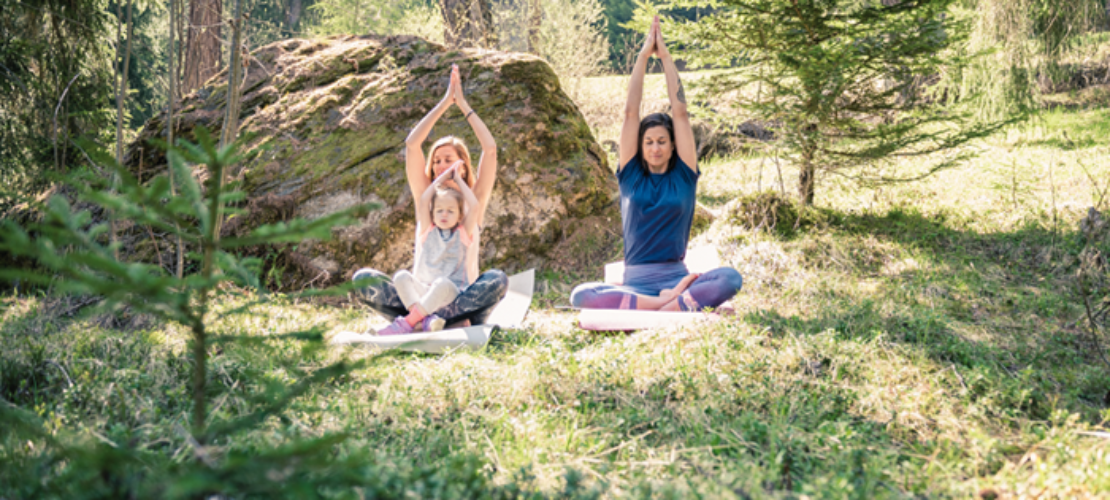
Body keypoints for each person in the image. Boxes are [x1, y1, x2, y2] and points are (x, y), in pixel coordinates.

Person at [569, 17, 742, 312]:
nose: (655, 147)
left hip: (676, 276)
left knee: (730, 278)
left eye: (662, 141)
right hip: (635, 282)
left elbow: (681, 113)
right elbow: (629, 113)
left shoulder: (684, 176)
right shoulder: (631, 176)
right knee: (581, 295)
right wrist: (642, 57)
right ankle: (668, 304)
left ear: (673, 145)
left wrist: (665, 58)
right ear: (640, 146)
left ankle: (665, 302)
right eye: (648, 142)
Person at [353, 64, 508, 333]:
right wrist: (445, 102)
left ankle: (442, 319)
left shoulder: (473, 203)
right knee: (363, 279)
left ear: (462, 164)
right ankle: (423, 318)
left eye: (448, 159)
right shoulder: (426, 200)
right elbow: (413, 145)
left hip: (459, 300)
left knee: (497, 279)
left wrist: (463, 105)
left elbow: (490, 149)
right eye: (436, 160)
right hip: (419, 299)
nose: (440, 165)